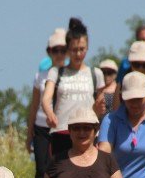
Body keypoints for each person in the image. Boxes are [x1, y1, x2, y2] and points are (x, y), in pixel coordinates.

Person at [41, 17, 108, 156]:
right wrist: (50, 113)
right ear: (68, 49)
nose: (78, 54)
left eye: (82, 49)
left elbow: (102, 104)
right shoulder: (56, 72)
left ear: (87, 48)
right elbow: (46, 99)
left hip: (88, 133)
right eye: (74, 50)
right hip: (61, 132)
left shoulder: (96, 74)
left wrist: (100, 108)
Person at [26, 29, 68, 178]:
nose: (59, 54)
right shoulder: (40, 76)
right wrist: (29, 134)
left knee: (62, 168)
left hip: (64, 127)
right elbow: (35, 104)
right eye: (55, 50)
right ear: (49, 52)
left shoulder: (72, 75)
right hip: (42, 126)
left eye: (62, 50)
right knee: (41, 169)